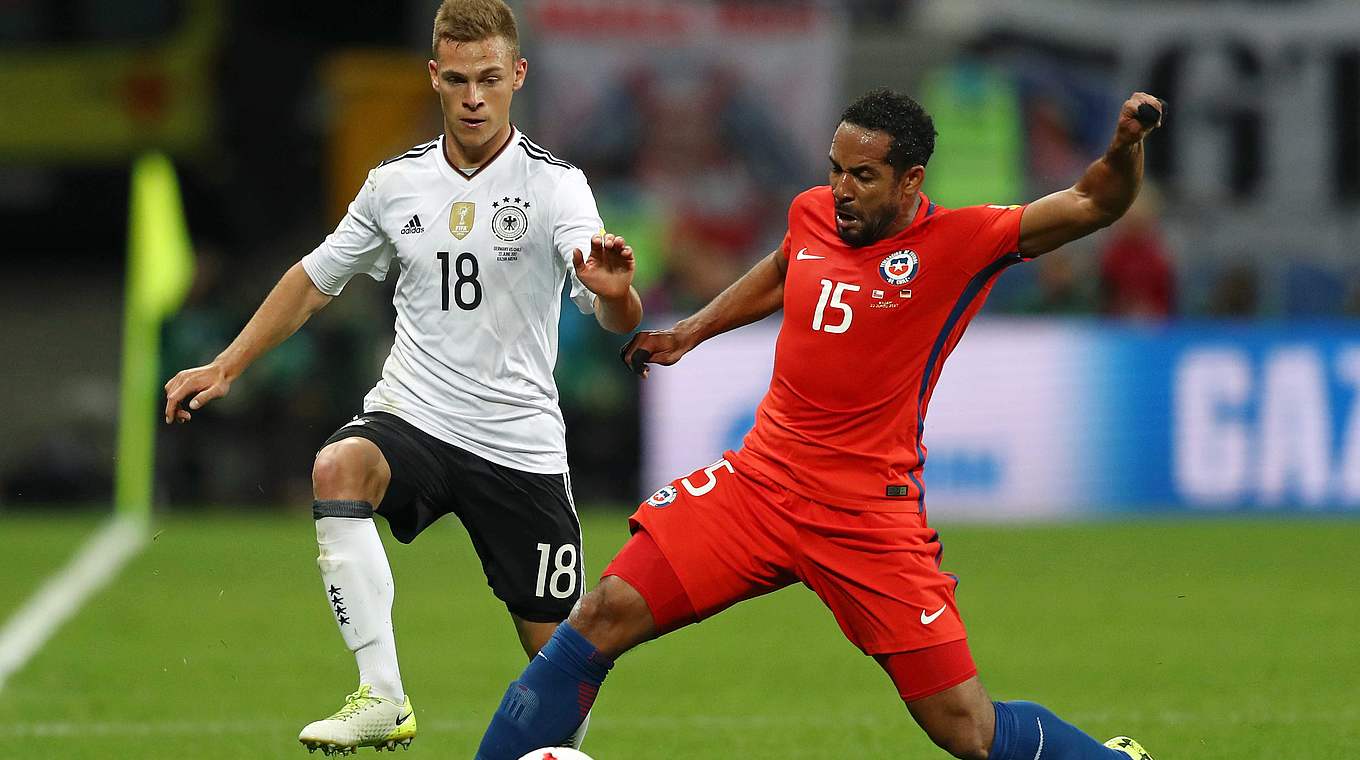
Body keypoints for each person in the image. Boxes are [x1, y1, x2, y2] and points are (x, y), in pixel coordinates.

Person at [475, 89, 1162, 760]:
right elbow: (782, 270)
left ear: (910, 180)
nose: (841, 188)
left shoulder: (963, 240)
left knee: (967, 731)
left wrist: (1125, 149)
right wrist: (690, 330)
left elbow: (1093, 201)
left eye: (863, 176)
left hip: (864, 514)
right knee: (601, 614)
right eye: (836, 168)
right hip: (760, 485)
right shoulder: (812, 214)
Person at [162, 0, 642, 755]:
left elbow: (614, 311)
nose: (474, 97)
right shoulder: (395, 184)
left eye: (489, 78)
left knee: (560, 660)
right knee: (338, 464)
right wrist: (227, 363)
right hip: (415, 414)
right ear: (434, 78)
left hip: (518, 441)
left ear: (518, 74)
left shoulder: (557, 187)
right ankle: (381, 694)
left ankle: (558, 750)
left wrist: (616, 293)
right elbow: (314, 280)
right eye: (457, 80)